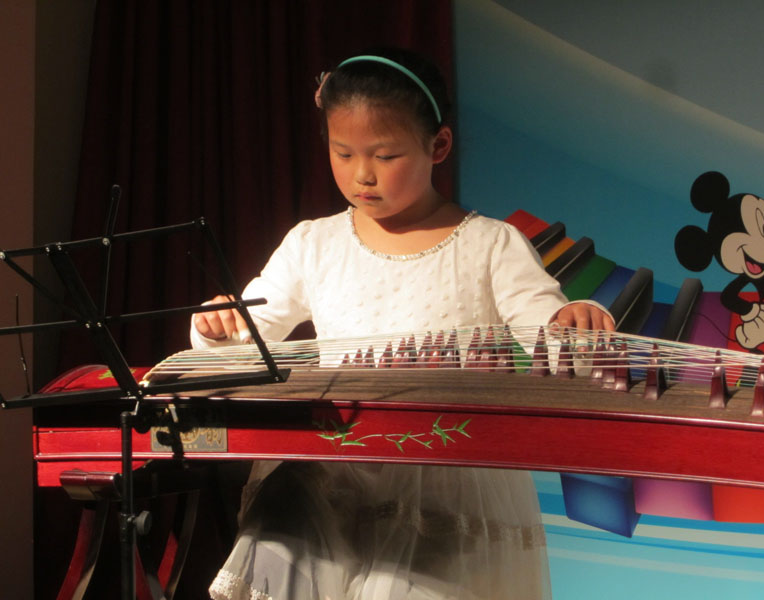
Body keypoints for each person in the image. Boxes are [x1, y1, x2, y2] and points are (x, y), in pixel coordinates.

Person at [193, 48, 613, 600]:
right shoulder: (314, 243)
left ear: (438, 146)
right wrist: (222, 324)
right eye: (342, 153)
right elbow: (251, 332)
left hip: (442, 470)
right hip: (334, 463)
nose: (361, 175)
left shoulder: (489, 243)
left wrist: (570, 322)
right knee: (285, 527)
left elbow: (547, 329)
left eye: (385, 155)